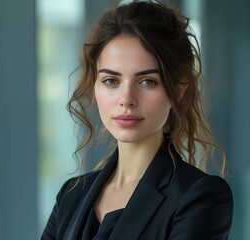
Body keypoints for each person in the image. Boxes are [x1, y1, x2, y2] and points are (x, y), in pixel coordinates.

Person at [42, 1, 233, 239]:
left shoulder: (199, 196)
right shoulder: (70, 196)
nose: (127, 99)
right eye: (111, 80)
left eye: (147, 81)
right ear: (96, 87)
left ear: (178, 92)